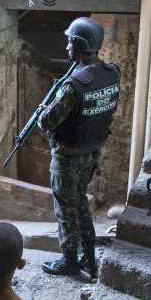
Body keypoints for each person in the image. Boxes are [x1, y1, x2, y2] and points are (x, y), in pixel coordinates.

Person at [37, 16, 121, 279]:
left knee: (65, 207)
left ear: (78, 44)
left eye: (69, 42)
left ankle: (70, 261)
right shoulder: (111, 73)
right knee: (81, 203)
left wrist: (42, 112)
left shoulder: (75, 85)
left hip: (68, 156)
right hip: (92, 151)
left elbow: (47, 121)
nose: (66, 47)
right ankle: (90, 258)